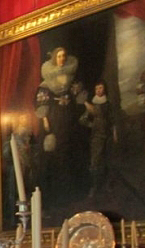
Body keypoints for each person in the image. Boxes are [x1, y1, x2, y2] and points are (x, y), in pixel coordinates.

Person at [35, 47, 86, 198]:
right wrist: (45, 119)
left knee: (70, 148)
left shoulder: (72, 78)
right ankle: (57, 191)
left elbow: (80, 96)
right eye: (59, 56)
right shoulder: (47, 82)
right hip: (54, 117)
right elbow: (41, 101)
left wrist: (87, 107)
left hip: (69, 116)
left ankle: (71, 189)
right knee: (57, 150)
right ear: (54, 59)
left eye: (64, 56)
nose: (62, 59)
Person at [81, 80, 117, 197]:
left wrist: (115, 134)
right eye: (97, 89)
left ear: (104, 89)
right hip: (96, 138)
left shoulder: (108, 104)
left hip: (108, 136)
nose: (99, 90)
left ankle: (108, 185)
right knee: (95, 163)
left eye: (101, 88)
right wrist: (93, 125)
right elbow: (83, 119)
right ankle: (94, 187)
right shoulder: (92, 105)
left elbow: (113, 120)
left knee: (108, 161)